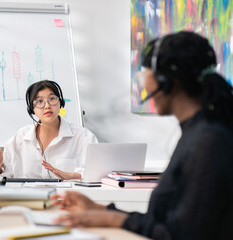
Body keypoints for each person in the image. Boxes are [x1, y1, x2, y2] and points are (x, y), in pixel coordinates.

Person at [51, 31, 233, 239]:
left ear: (167, 80)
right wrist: (101, 210)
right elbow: (168, 221)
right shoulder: (197, 132)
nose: (144, 84)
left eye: (144, 73)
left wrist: (112, 219)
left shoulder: (208, 141)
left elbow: (182, 235)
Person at [0, 80, 98, 180]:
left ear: (60, 103)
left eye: (52, 99)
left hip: (66, 200)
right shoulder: (20, 138)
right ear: (32, 109)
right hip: (28, 200)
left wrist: (71, 175)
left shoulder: (83, 137)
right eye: (39, 101)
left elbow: (98, 174)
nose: (47, 105)